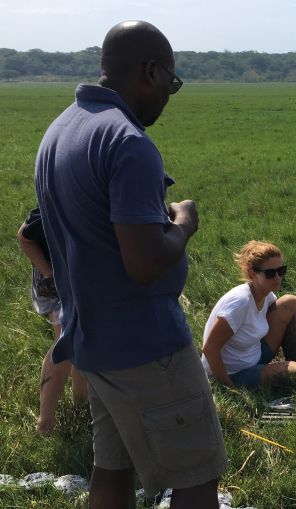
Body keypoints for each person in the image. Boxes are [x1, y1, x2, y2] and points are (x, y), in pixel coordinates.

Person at [34, 21, 226, 508]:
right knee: (197, 477)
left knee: (111, 468)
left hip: (93, 339)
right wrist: (184, 223)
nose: (169, 95)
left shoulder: (61, 129)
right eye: (172, 83)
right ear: (150, 71)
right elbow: (144, 264)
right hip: (147, 346)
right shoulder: (128, 143)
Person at [202, 240, 296, 389]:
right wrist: (231, 388)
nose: (277, 278)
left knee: (291, 303)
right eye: (270, 273)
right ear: (253, 273)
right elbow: (209, 349)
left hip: (255, 354)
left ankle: (294, 363)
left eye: (281, 271)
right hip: (235, 373)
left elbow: (282, 317)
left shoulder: (265, 293)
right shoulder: (239, 303)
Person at [17, 207, 88, 434]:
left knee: (83, 336)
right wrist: (49, 274)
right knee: (66, 340)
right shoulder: (55, 201)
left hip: (78, 274)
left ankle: (81, 405)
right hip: (53, 279)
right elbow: (24, 237)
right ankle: (45, 422)